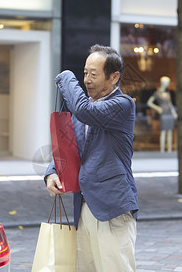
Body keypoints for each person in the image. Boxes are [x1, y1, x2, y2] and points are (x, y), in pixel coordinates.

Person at [45, 44, 138, 271]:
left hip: (112, 209)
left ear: (114, 77)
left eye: (93, 74)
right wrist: (52, 172)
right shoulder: (84, 107)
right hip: (84, 208)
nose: (86, 79)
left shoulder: (123, 105)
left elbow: (84, 112)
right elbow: (68, 146)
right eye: (84, 72)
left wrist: (66, 76)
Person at [147, 76, 177, 152]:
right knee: (163, 131)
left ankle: (169, 149)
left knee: (170, 132)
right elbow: (149, 103)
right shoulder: (157, 93)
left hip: (169, 113)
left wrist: (174, 113)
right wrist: (157, 108)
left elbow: (170, 104)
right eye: (167, 83)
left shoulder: (168, 93)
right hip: (163, 113)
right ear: (163, 83)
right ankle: (162, 150)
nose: (168, 84)